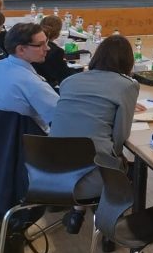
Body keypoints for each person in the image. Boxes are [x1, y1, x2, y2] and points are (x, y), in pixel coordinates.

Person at [49, 35, 141, 200]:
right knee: (130, 168)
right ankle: (108, 212)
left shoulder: (69, 81)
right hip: (94, 173)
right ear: (128, 61)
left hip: (51, 170)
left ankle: (78, 211)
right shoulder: (128, 85)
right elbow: (120, 135)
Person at [0, 21, 59, 131]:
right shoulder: (31, 82)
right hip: (23, 138)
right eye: (40, 45)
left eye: (46, 42)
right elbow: (60, 115)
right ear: (21, 49)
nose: (47, 48)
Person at [32, 15, 81, 88]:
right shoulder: (56, 51)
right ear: (58, 33)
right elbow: (64, 75)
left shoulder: (32, 46)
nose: (46, 48)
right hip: (49, 87)